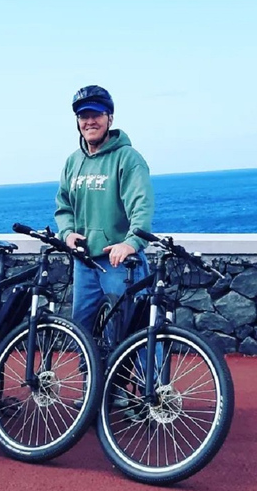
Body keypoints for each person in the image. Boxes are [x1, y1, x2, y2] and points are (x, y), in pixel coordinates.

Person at [55, 85, 154, 406]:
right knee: (84, 333)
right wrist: (67, 233)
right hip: (85, 263)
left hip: (118, 263)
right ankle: (98, 394)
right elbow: (64, 206)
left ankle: (154, 395)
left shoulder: (128, 159)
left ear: (109, 117)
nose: (89, 121)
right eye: (83, 116)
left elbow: (141, 205)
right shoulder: (72, 162)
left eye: (96, 114)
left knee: (133, 331)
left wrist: (131, 242)